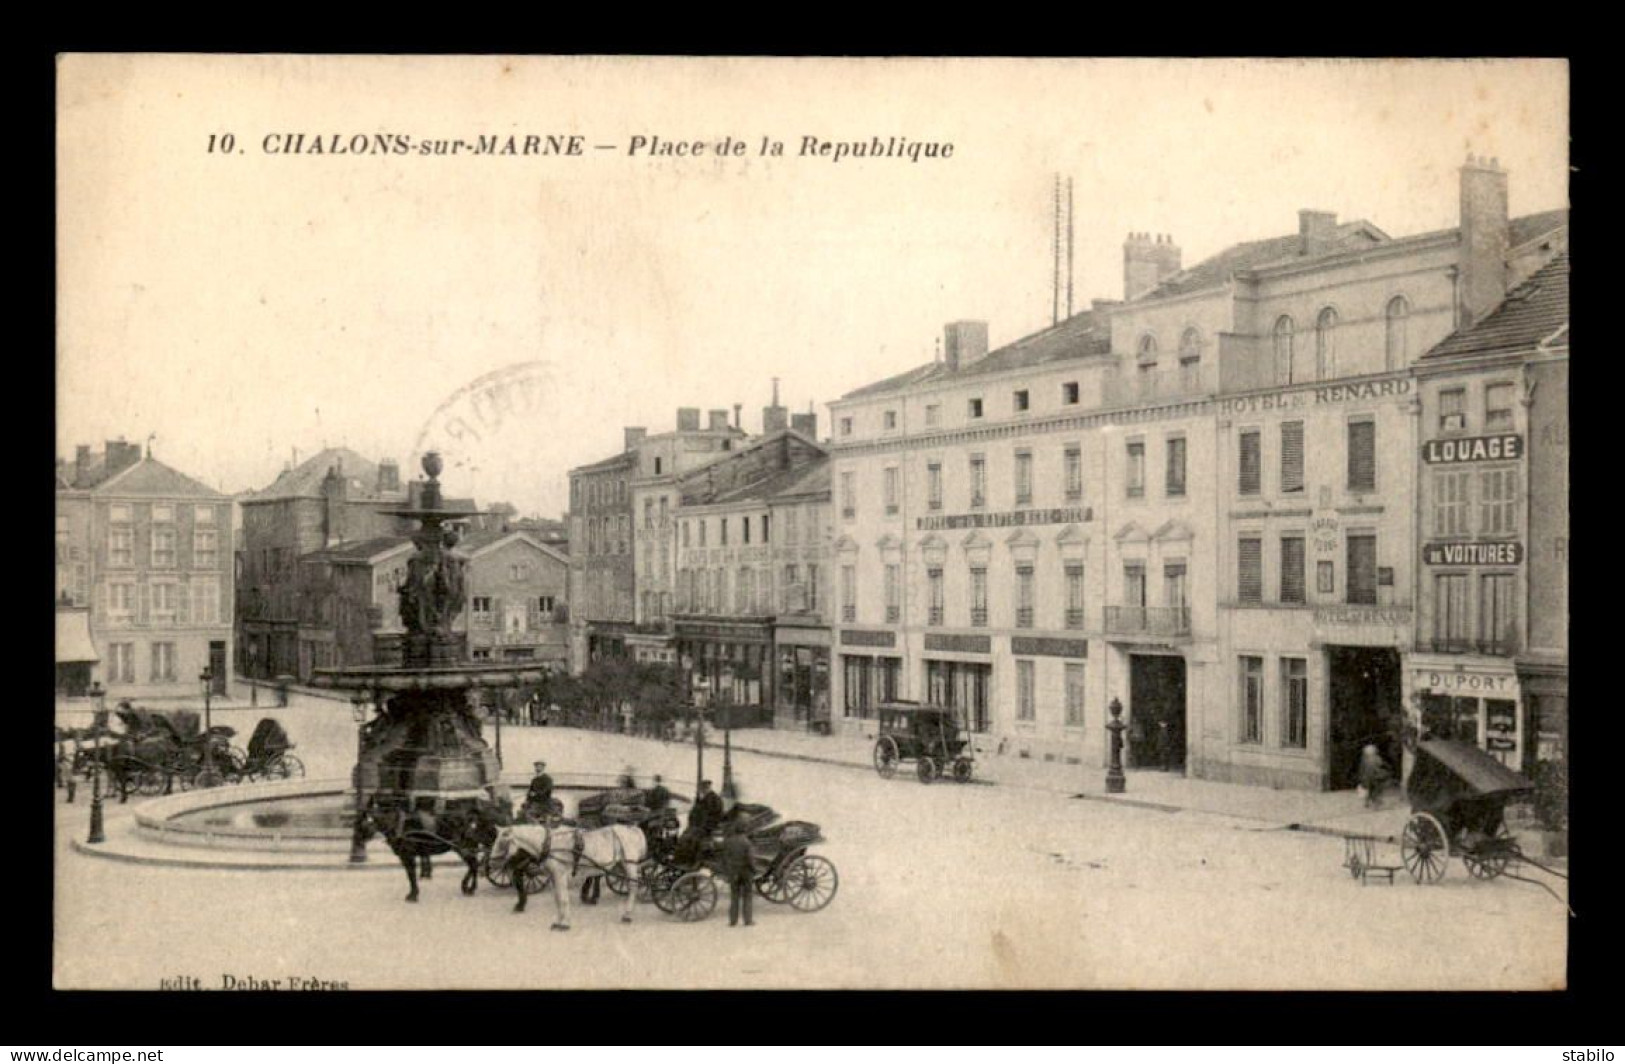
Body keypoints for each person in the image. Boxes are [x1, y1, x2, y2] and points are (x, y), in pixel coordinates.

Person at [720, 819, 755, 927]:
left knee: (734, 896)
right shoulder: (747, 842)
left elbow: (725, 857)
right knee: (747, 896)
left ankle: (733, 921)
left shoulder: (728, 841)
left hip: (733, 872)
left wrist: (728, 870)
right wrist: (753, 870)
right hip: (745, 872)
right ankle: (747, 920)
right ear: (745, 829)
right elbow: (750, 859)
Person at [1358, 744, 1391, 809]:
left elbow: (1362, 769)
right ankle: (1375, 803)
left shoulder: (1364, 759)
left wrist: (1361, 777)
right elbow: (1381, 765)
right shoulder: (1377, 758)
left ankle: (1368, 802)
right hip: (1375, 776)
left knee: (1370, 790)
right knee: (1376, 790)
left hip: (1368, 777)